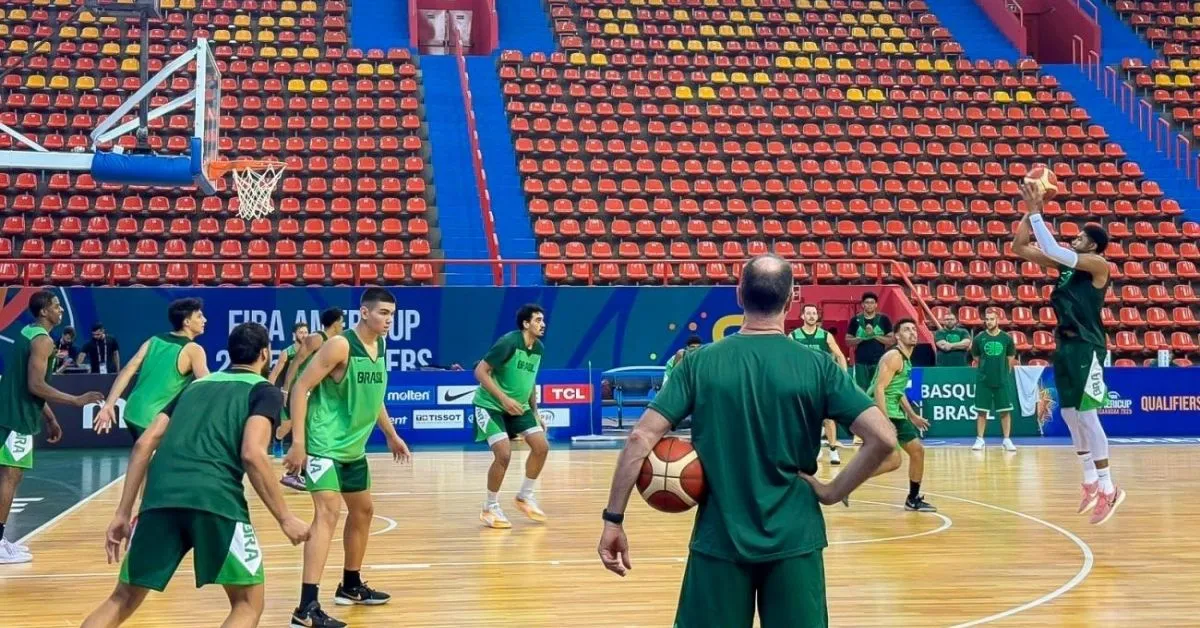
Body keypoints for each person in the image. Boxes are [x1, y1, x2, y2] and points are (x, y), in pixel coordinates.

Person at [596, 254, 896, 628]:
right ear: (791, 301)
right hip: (796, 538)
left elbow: (640, 437)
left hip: (719, 538)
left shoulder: (698, 363)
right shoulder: (818, 365)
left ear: (739, 295)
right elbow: (883, 438)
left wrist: (613, 520)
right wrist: (832, 491)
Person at [80, 322, 310, 628]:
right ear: (265, 354)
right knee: (247, 604)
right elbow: (252, 454)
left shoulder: (194, 387)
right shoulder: (264, 391)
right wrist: (285, 518)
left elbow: (144, 445)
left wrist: (123, 513)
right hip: (214, 499)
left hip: (159, 499)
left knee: (121, 599)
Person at [285, 290, 411, 628]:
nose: (388, 320)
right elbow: (301, 388)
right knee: (328, 513)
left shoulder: (381, 346)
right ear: (364, 313)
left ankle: (351, 585)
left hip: (354, 448)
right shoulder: (340, 345)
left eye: (392, 314)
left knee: (364, 511)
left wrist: (390, 433)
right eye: (383, 313)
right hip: (324, 443)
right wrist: (298, 442)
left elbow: (375, 397)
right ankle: (305, 608)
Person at [1014, 181, 1124, 525]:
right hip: (1065, 345)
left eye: (1079, 236)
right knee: (1070, 415)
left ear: (1092, 244)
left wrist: (1036, 212)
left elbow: (1053, 248)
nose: (1074, 238)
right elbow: (1019, 247)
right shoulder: (1066, 268)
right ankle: (1090, 480)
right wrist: (1027, 210)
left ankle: (1109, 487)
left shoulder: (1096, 265)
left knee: (1088, 416)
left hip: (1087, 346)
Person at [0, 291, 103, 564]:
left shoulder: (28, 331)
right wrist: (75, 400)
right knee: (10, 477)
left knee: (9, 477)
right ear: (44, 311)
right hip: (16, 418)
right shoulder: (43, 342)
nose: (61, 310)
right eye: (56, 306)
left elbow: (26, 383)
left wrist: (49, 417)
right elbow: (35, 385)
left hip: (15, 411)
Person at [473, 304, 549, 529]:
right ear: (526, 324)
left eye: (543, 320)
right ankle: (489, 506)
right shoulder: (508, 342)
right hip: (490, 405)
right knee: (503, 453)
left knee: (541, 447)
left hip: (520, 407)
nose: (542, 324)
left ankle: (524, 496)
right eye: (537, 320)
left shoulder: (538, 348)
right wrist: (503, 399)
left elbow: (530, 380)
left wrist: (535, 412)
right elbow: (479, 371)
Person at [93, 298, 209, 440]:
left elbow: (128, 370)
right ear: (186, 322)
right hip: (152, 419)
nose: (205, 320)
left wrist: (109, 405)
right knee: (156, 460)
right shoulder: (194, 350)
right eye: (199, 316)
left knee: (145, 458)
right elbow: (206, 385)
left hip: (132, 412)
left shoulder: (154, 340)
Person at [869, 318, 937, 513]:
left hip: (895, 413)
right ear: (897, 336)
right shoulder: (894, 357)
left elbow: (896, 392)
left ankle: (913, 499)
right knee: (893, 461)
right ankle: (847, 483)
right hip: (884, 412)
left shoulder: (905, 359)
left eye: (914, 330)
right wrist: (884, 421)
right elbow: (879, 390)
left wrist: (913, 415)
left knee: (916, 452)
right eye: (907, 330)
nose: (913, 333)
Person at [277, 308, 344, 491]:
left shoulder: (334, 343)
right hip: (301, 391)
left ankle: (300, 474)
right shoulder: (317, 338)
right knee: (303, 433)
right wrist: (286, 389)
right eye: (342, 321)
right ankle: (292, 474)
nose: (344, 325)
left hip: (313, 392)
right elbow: (296, 362)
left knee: (310, 432)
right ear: (336, 322)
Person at [789, 304, 849, 465]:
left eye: (814, 313)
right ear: (802, 316)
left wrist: (843, 375)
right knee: (805, 420)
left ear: (817, 316)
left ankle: (833, 450)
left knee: (829, 418)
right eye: (808, 313)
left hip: (822, 382)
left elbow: (840, 356)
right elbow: (787, 360)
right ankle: (813, 450)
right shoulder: (793, 336)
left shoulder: (826, 336)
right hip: (803, 384)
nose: (811, 316)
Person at [970, 309, 1018, 452]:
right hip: (984, 381)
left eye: (992, 319)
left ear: (998, 320)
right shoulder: (979, 338)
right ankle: (980, 439)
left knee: (1005, 411)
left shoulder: (1006, 338)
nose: (989, 321)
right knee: (981, 411)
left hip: (1002, 380)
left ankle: (1007, 440)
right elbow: (976, 358)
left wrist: (1002, 373)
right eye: (987, 319)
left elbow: (1010, 359)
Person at [845, 292, 894, 393]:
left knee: (879, 389)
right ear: (862, 305)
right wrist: (861, 338)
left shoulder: (883, 319)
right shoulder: (855, 320)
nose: (869, 305)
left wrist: (875, 335)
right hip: (861, 362)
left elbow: (891, 340)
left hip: (880, 361)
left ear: (876, 305)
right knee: (861, 391)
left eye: (872, 302)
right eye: (867, 302)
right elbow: (848, 341)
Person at [268, 322, 310, 387]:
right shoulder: (286, 353)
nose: (304, 336)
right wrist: (269, 390)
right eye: (301, 333)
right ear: (294, 334)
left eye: (306, 333)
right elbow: (274, 374)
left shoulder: (312, 352)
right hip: (290, 391)